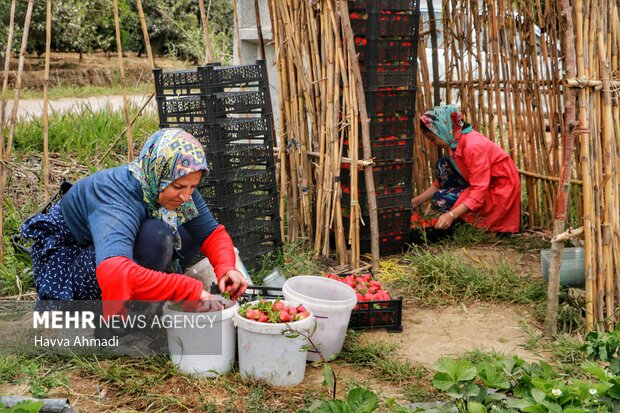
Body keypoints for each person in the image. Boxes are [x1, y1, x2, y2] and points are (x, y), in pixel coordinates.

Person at [20, 128, 248, 315]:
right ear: (157, 172)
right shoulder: (116, 199)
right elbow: (115, 273)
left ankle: (152, 289)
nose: (186, 196)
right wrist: (185, 289)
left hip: (110, 251)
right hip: (72, 259)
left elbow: (211, 234)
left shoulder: (175, 180)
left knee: (189, 229)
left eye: (193, 187)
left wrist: (227, 267)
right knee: (156, 239)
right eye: (179, 187)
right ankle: (122, 317)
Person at [411, 104, 521, 233]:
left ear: (443, 129)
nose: (433, 143)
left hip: (499, 191)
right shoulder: (455, 142)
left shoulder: (473, 146)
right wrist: (414, 202)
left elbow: (480, 190)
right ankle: (463, 215)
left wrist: (451, 215)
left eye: (433, 138)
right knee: (443, 165)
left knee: (440, 200)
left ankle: (472, 221)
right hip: (484, 183)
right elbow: (439, 183)